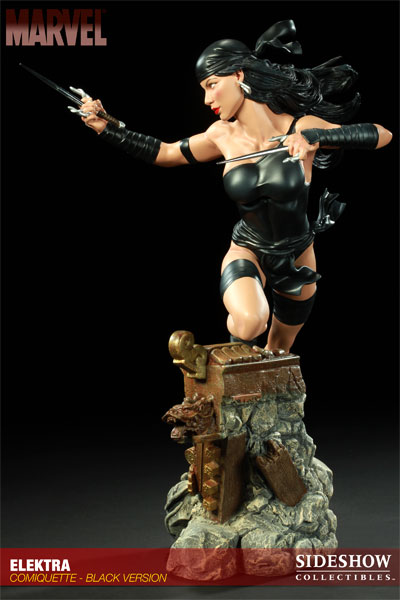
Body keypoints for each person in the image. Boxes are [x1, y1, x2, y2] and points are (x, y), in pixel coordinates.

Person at [78, 20, 392, 353]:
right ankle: (232, 358)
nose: (206, 99)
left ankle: (251, 372)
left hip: (297, 256)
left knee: (278, 351)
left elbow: (382, 134)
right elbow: (166, 153)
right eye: (203, 88)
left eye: (212, 85)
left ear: (239, 75)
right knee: (249, 322)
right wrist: (106, 127)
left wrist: (316, 137)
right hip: (248, 247)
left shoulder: (300, 127)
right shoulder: (221, 135)